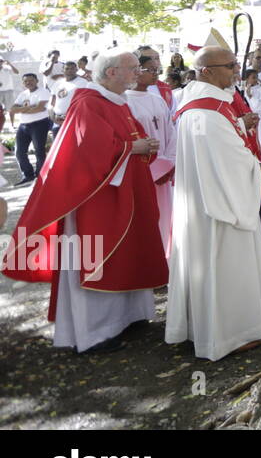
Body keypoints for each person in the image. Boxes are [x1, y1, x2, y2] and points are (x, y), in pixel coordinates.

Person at [1, 51, 166, 353]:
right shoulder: (89, 101)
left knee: (126, 253)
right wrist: (133, 146)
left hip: (123, 189)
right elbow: (88, 147)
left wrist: (142, 145)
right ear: (113, 72)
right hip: (96, 196)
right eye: (132, 69)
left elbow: (127, 137)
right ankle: (96, 332)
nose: (137, 73)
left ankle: (129, 316)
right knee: (97, 258)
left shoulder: (116, 100)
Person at [166, 44, 261, 360]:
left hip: (208, 200)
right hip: (221, 206)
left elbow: (226, 147)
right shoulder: (206, 112)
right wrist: (256, 168)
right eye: (228, 65)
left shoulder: (209, 105)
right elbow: (227, 160)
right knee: (225, 263)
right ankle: (229, 334)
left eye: (234, 63)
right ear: (205, 71)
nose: (235, 70)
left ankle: (207, 327)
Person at [125, 54, 177, 256]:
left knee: (164, 217)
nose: (156, 74)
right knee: (143, 219)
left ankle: (164, 261)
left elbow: (171, 133)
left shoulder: (157, 100)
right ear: (137, 71)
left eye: (158, 70)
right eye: (151, 70)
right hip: (140, 172)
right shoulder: (124, 101)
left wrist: (169, 163)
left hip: (163, 172)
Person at [11, 73, 52, 186]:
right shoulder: (22, 94)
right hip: (24, 125)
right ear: (23, 83)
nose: (29, 83)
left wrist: (22, 109)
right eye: (26, 81)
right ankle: (28, 175)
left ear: (37, 80)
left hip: (39, 124)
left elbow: (39, 108)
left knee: (39, 151)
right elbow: (13, 109)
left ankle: (40, 175)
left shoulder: (43, 91)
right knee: (19, 152)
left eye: (31, 80)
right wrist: (29, 107)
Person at [49, 61, 91, 136]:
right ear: (63, 70)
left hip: (75, 119)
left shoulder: (83, 82)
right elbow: (52, 102)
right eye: (67, 69)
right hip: (58, 120)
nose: (69, 71)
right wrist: (53, 117)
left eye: (72, 68)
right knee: (58, 146)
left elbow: (87, 101)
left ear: (76, 70)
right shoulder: (57, 84)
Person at [242, 67, 261, 158]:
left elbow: (258, 107)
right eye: (253, 77)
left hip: (260, 120)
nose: (256, 79)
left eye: (257, 77)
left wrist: (251, 96)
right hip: (249, 121)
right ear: (247, 79)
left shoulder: (260, 89)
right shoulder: (243, 90)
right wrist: (247, 93)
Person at [0, 57, 17, 125]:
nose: (0, 62)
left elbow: (17, 72)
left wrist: (10, 64)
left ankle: (12, 124)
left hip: (9, 90)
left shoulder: (7, 67)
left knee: (11, 109)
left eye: (1, 61)